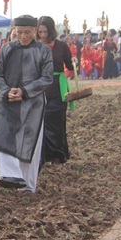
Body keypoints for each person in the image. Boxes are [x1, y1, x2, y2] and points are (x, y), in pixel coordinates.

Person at [0, 15, 53, 193]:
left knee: (31, 141)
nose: (23, 36)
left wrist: (24, 91)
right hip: (8, 101)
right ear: (14, 31)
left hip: (34, 103)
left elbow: (47, 78)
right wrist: (6, 91)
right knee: (4, 136)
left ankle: (27, 186)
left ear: (35, 31)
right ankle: (9, 175)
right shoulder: (6, 49)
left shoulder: (43, 51)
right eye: (19, 32)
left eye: (28, 32)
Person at [37, 16, 76, 166]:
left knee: (58, 123)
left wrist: (74, 61)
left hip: (58, 89)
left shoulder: (61, 46)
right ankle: (44, 156)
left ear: (51, 31)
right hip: (41, 89)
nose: (42, 35)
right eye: (40, 32)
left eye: (45, 32)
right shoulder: (36, 47)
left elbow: (70, 65)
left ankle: (58, 155)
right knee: (43, 123)